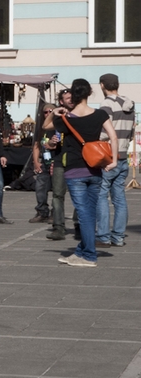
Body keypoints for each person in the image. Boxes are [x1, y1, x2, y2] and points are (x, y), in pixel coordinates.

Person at [53, 78, 119, 267]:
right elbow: (113, 137)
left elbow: (45, 127)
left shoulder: (66, 117)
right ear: (90, 93)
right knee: (89, 212)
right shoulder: (100, 114)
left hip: (75, 171)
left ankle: (89, 255)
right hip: (95, 169)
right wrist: (113, 160)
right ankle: (81, 251)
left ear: (73, 94)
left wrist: (55, 113)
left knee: (84, 214)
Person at [95, 73, 133, 247]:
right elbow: (131, 132)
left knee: (101, 196)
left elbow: (105, 132)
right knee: (119, 198)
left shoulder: (106, 104)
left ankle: (103, 235)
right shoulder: (129, 104)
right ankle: (118, 236)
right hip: (124, 155)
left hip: (109, 156)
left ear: (102, 85)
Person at [44, 89, 73, 241]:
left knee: (79, 196)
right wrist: (54, 111)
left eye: (72, 97)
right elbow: (45, 125)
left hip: (76, 161)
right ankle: (58, 227)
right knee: (57, 194)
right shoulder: (60, 118)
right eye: (67, 98)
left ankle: (79, 224)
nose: (70, 100)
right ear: (61, 101)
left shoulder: (78, 115)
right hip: (60, 159)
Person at [29, 103, 56, 223]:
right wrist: (35, 162)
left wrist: (51, 144)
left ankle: (55, 213)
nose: (48, 114)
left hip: (56, 161)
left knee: (57, 189)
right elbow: (36, 145)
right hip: (44, 161)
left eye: (51, 111)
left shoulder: (58, 126)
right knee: (40, 187)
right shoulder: (41, 128)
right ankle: (42, 211)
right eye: (46, 112)